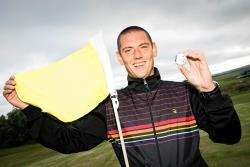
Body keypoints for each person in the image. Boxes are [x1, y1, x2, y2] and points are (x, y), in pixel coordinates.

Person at [3, 26, 241, 167]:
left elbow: (229, 136)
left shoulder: (184, 92)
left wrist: (210, 91)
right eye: (128, 50)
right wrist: (27, 108)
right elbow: (68, 141)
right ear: (119, 57)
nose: (137, 56)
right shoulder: (111, 107)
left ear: (154, 49)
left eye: (143, 47)